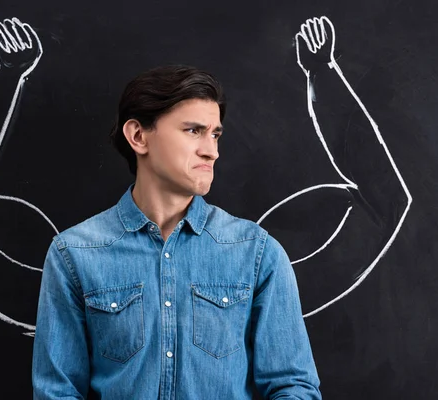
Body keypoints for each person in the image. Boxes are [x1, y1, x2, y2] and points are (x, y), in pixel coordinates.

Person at [32, 65, 321, 399]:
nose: (211, 150)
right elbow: (57, 391)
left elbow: (293, 388)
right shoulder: (74, 254)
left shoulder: (256, 253)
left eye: (215, 134)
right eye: (193, 130)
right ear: (138, 136)